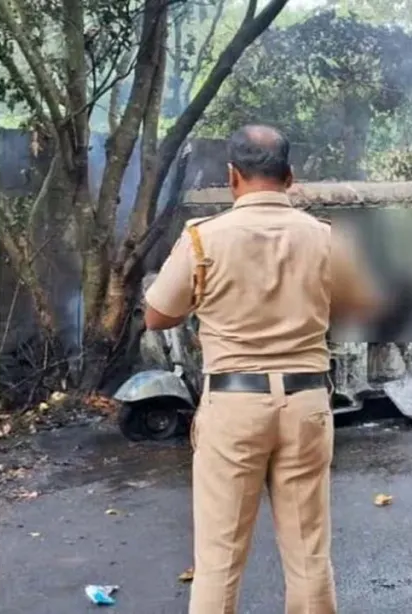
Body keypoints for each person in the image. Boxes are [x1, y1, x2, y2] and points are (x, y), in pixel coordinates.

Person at [143, 125, 381, 614]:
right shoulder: (325, 239)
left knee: (219, 561)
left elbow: (157, 315)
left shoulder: (202, 241)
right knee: (309, 555)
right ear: (290, 176)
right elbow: (363, 307)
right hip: (307, 404)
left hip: (233, 406)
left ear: (232, 177)